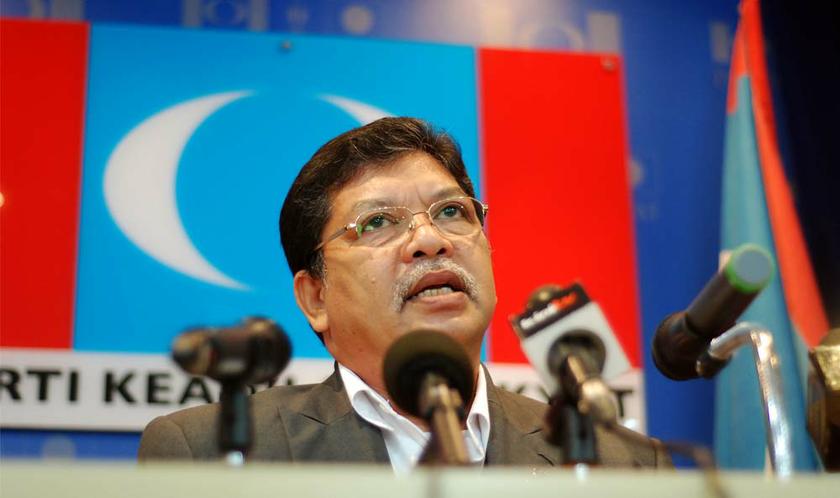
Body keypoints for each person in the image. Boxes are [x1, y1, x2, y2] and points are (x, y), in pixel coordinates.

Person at [138, 117, 671, 470]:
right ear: (315, 297)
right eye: (377, 223)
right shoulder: (205, 451)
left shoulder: (625, 463)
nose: (430, 240)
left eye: (451, 211)